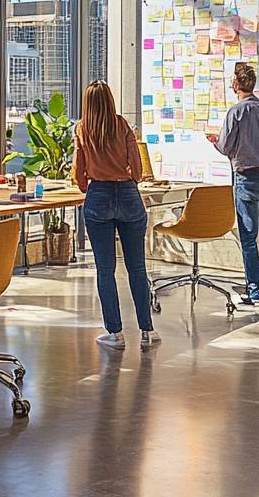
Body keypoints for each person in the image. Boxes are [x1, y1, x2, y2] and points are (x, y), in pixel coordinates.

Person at [73, 81, 160, 351]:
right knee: (137, 267)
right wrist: (125, 178)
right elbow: (137, 170)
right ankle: (147, 331)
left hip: (98, 196)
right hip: (128, 195)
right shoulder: (122, 125)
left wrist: (91, 185)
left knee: (105, 269)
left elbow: (78, 173)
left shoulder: (82, 129)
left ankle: (115, 333)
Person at [206, 62, 259, 307]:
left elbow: (226, 147)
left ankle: (256, 291)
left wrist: (214, 140)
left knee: (248, 238)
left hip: (246, 179)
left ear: (236, 84)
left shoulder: (236, 112)